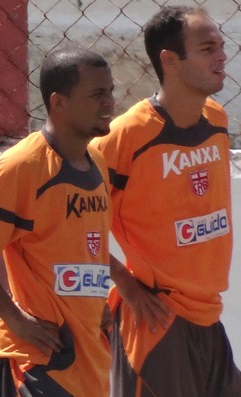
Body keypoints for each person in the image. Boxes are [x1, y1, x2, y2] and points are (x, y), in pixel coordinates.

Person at [0, 46, 115, 397]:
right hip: (36, 365)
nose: (110, 102)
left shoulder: (97, 162)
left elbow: (83, 246)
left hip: (88, 363)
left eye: (111, 92)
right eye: (98, 94)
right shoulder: (23, 166)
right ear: (59, 102)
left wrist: (104, 297)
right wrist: (16, 319)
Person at [92, 6, 241, 397]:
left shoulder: (218, 119)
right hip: (156, 321)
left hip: (209, 316)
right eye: (208, 48)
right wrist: (124, 282)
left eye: (222, 46)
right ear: (170, 60)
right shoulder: (125, 136)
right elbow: (63, 210)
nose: (222, 56)